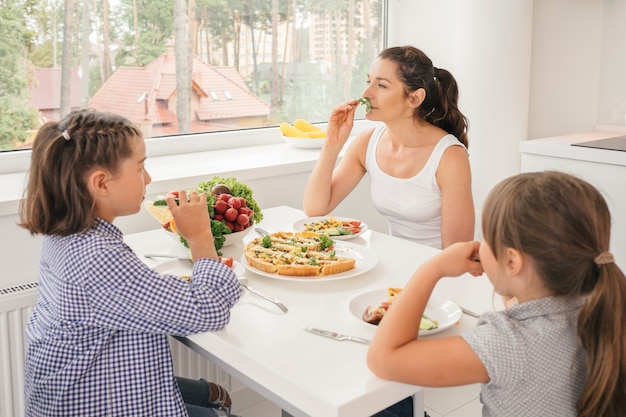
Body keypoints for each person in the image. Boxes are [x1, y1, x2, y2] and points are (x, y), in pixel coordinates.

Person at [18, 110, 243, 417]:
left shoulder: (66, 233)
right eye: (140, 167)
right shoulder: (99, 258)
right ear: (101, 183)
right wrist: (201, 237)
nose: (148, 178)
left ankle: (214, 398)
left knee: (206, 396)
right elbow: (209, 310)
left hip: (73, 387)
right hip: (89, 402)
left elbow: (124, 294)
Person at [367, 171, 626, 417]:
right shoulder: (606, 307)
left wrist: (431, 268)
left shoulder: (506, 341)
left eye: (487, 238)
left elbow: (383, 359)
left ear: (512, 262)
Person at [303, 45, 474, 249]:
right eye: (369, 81)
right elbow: (315, 209)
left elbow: (457, 254)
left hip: (439, 271)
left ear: (414, 98)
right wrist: (331, 145)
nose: (366, 93)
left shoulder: (449, 156)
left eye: (381, 85)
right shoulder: (367, 143)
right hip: (395, 261)